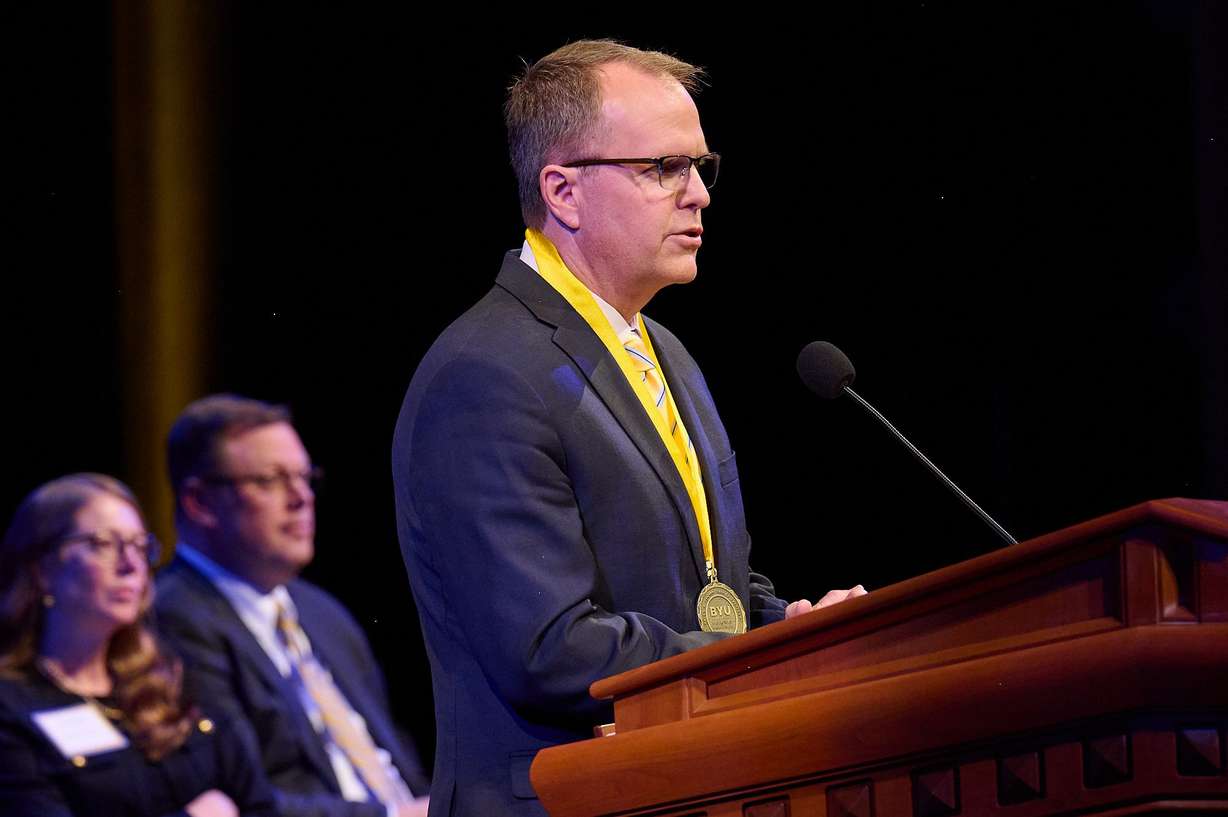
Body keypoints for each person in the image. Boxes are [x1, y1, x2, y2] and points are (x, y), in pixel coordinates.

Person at [392, 39, 865, 816]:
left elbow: (708, 582)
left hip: (686, 785)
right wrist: (763, 656)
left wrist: (795, 629)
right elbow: (550, 651)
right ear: (564, 191)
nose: (700, 195)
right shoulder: (483, 375)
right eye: (663, 168)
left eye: (701, 167)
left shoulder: (660, 346)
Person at [154, 394, 429, 817]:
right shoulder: (174, 618)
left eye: (304, 476)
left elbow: (397, 758)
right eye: (270, 480)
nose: (301, 497)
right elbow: (244, 799)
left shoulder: (321, 611)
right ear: (199, 502)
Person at [0, 473, 276, 817]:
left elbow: (259, 804)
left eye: (139, 547)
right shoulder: (11, 709)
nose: (131, 565)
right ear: (43, 569)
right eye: (102, 544)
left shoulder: (176, 678)